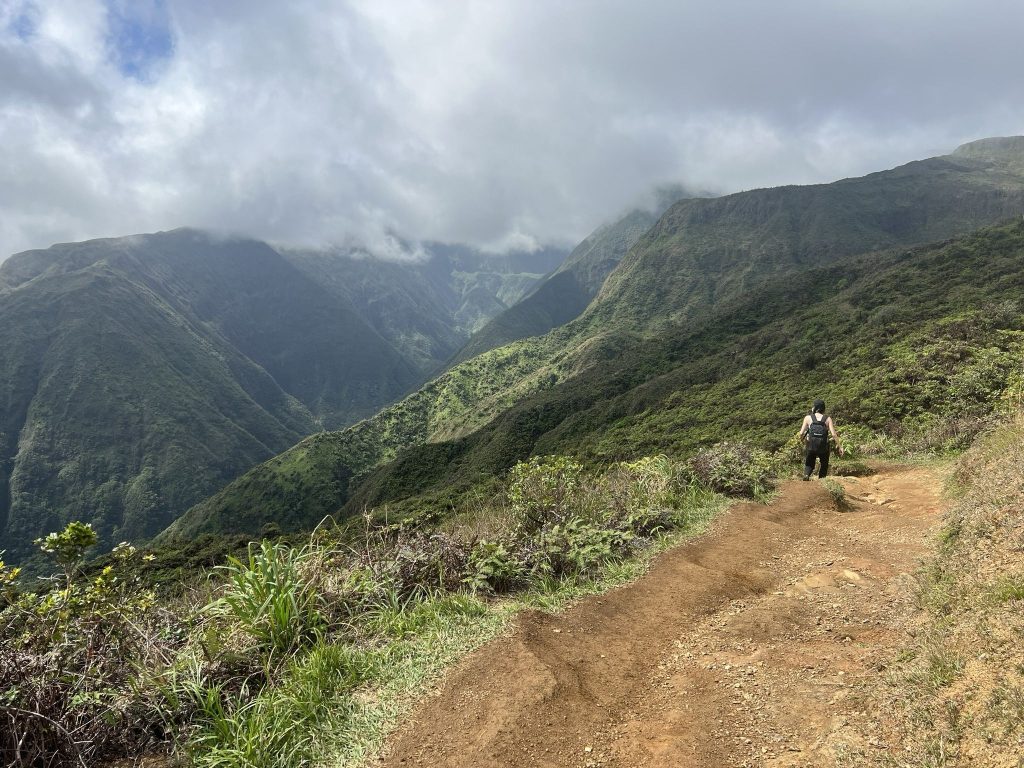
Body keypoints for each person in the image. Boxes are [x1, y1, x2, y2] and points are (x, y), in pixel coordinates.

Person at [798, 399, 843, 480]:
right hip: (823, 446)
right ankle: (822, 480)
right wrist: (840, 446)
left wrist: (801, 441)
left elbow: (801, 433)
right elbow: (833, 434)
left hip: (811, 445)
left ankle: (806, 475)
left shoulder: (808, 418)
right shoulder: (827, 418)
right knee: (824, 463)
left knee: (810, 460)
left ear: (815, 407)